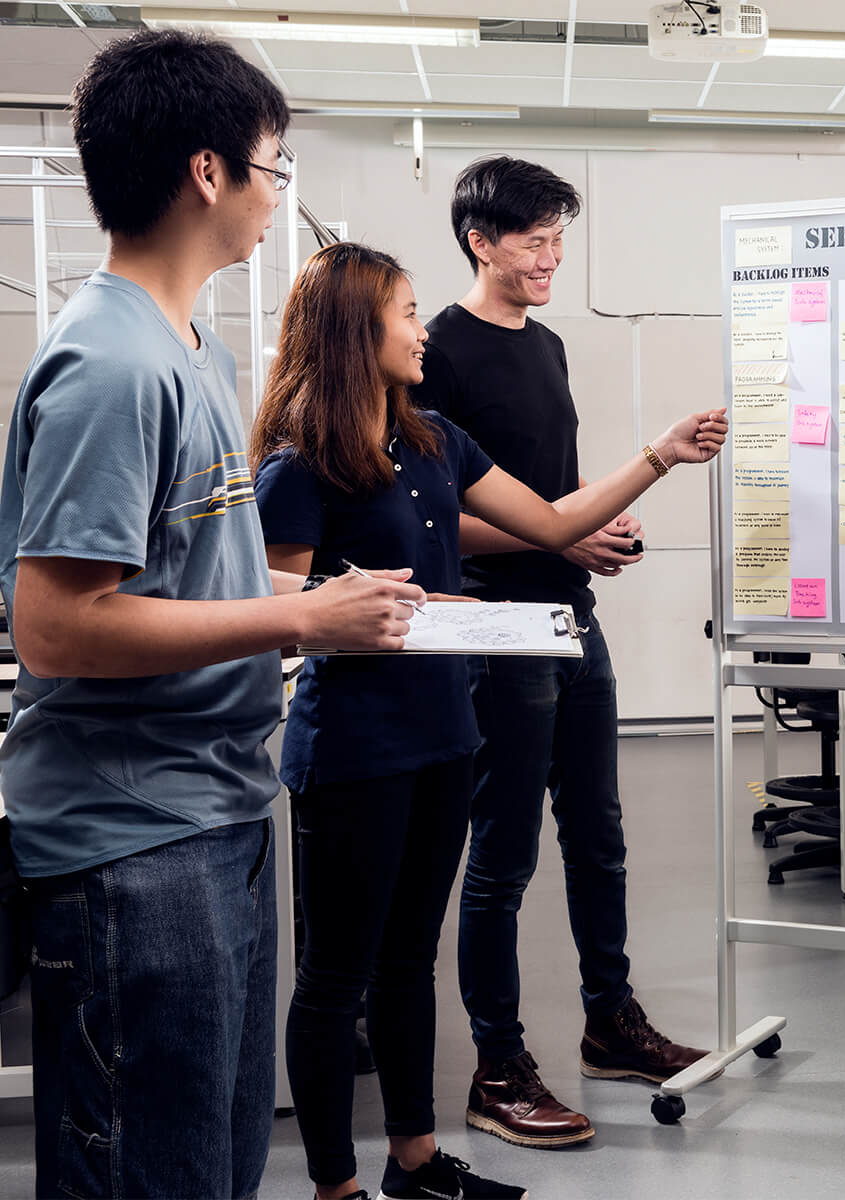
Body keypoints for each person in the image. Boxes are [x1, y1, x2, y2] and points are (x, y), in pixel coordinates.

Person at [0, 32, 424, 1200]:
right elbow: (58, 628)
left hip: (215, 810)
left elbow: (182, 574)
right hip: (135, 843)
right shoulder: (110, 366)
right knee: (154, 1171)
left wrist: (319, 598)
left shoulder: (197, 350)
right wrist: (298, 628)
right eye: (272, 167)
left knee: (216, 1166)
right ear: (208, 173)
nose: (274, 193)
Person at [250, 241, 725, 1200]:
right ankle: (335, 1185)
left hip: (442, 734)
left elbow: (553, 524)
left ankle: (416, 1163)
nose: (423, 331)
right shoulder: (301, 462)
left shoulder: (432, 439)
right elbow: (271, 597)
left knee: (410, 962)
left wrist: (657, 457)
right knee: (337, 976)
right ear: (355, 333)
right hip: (353, 749)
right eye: (406, 314)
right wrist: (378, 605)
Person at [406, 156, 708, 1150]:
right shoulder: (434, 352)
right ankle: (496, 1064)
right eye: (533, 239)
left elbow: (554, 495)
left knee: (601, 831)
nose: (552, 256)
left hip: (570, 613)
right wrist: (553, 533)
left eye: (558, 238)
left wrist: (584, 535)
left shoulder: (547, 346)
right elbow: (435, 518)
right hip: (493, 625)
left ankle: (609, 1023)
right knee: (502, 856)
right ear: (478, 242)